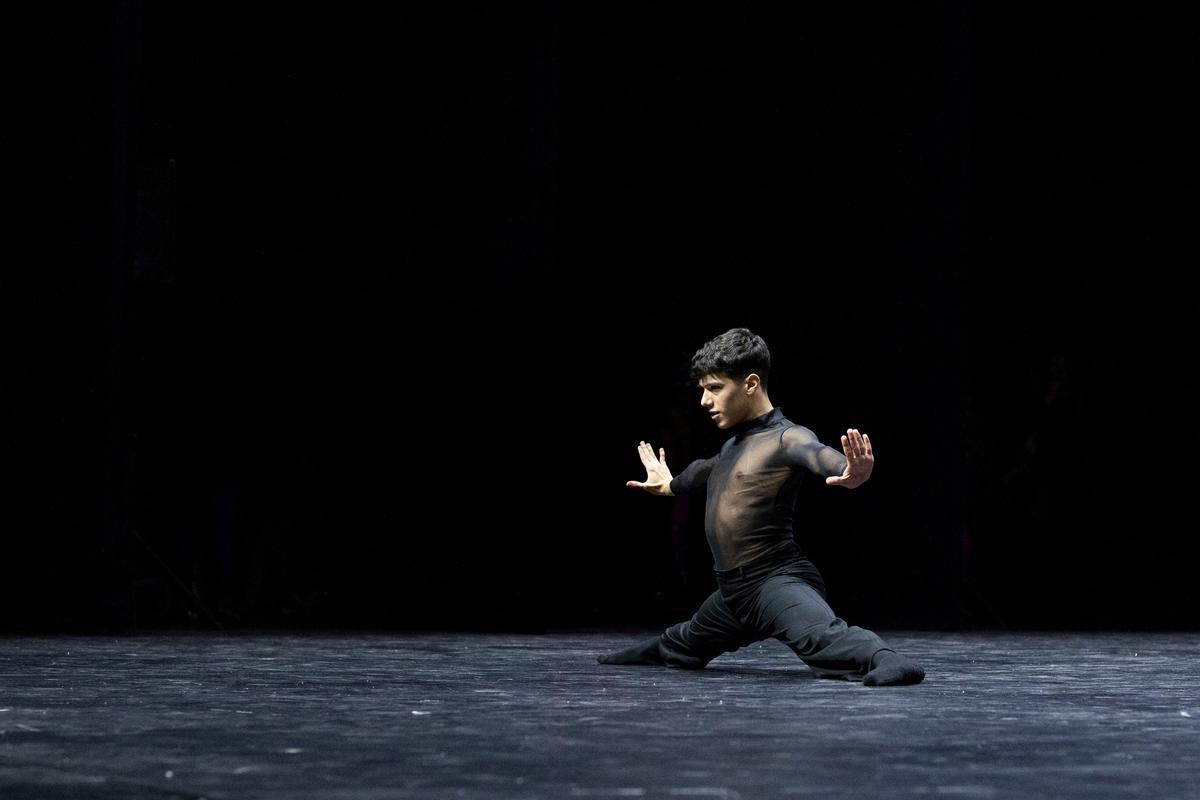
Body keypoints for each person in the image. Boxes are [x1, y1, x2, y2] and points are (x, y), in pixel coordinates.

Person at [598, 327, 924, 686]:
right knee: (682, 643)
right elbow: (701, 470)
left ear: (751, 383)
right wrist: (669, 485)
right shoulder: (732, 446)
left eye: (715, 388)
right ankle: (661, 650)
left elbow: (816, 454)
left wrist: (850, 470)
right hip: (733, 593)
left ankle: (888, 659)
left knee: (822, 638)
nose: (704, 400)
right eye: (702, 390)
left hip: (775, 580)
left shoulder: (786, 437)